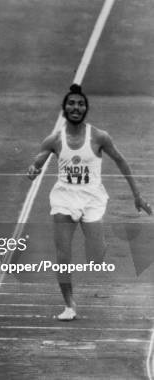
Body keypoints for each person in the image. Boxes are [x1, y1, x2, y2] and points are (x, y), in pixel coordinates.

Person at [27, 84, 151, 321]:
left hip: (92, 199)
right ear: (65, 108)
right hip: (64, 198)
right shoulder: (54, 140)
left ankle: (97, 246)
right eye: (71, 103)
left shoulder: (99, 137)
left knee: (96, 257)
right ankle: (69, 305)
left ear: (86, 108)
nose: (76, 107)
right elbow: (36, 165)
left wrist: (137, 194)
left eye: (80, 104)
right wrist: (32, 170)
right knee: (63, 256)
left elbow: (122, 162)